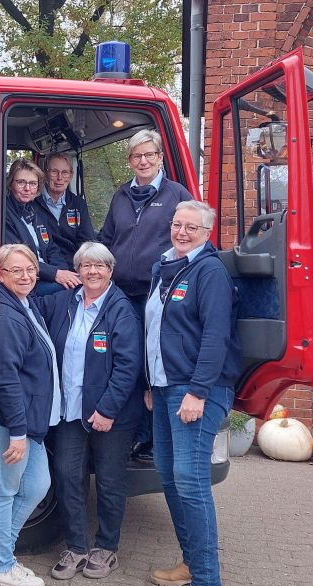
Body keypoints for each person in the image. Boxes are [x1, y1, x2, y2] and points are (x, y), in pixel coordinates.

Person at [146, 201, 239, 586]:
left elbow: (216, 336)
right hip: (167, 388)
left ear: (207, 231)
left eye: (191, 226)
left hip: (196, 390)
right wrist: (153, 384)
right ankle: (190, 563)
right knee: (169, 475)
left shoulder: (210, 271)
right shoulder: (166, 266)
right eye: (177, 224)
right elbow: (157, 329)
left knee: (191, 481)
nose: (181, 232)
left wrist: (199, 391)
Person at [34, 242, 142, 581]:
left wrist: (108, 409)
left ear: (110, 271)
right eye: (85, 266)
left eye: (99, 266)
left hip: (111, 415)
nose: (92, 272)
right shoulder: (65, 301)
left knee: (109, 481)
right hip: (70, 410)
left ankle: (107, 548)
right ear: (77, 271)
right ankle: (77, 546)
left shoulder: (121, 310)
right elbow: (25, 304)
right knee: (67, 476)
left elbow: (128, 366)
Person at [0, 244, 60, 586]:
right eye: (16, 270)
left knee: (36, 485)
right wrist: (17, 432)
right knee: (2, 491)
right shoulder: (2, 317)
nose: (26, 276)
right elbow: (5, 379)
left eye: (31, 269)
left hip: (23, 419)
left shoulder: (22, 302)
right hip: (4, 421)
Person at [99, 130, 193, 463]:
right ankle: (125, 432)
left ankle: (149, 439)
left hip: (157, 294)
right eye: (137, 156)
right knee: (124, 361)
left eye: (149, 155)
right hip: (121, 293)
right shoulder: (121, 196)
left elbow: (189, 241)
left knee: (153, 366)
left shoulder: (176, 195)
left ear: (159, 158)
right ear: (129, 161)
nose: (143, 161)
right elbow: (106, 239)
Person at [3, 158, 80, 296]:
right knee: (77, 291)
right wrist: (55, 274)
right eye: (21, 182)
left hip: (45, 275)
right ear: (10, 184)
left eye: (33, 184)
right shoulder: (4, 214)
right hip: (26, 281)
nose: (27, 189)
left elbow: (51, 248)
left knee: (85, 283)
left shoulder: (34, 211)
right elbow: (19, 258)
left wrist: (63, 272)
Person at [33, 153, 94, 267]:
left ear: (71, 176)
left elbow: (87, 241)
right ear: (46, 174)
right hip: (46, 267)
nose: (60, 178)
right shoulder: (32, 203)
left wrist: (83, 267)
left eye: (65, 172)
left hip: (74, 266)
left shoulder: (78, 204)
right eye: (54, 172)